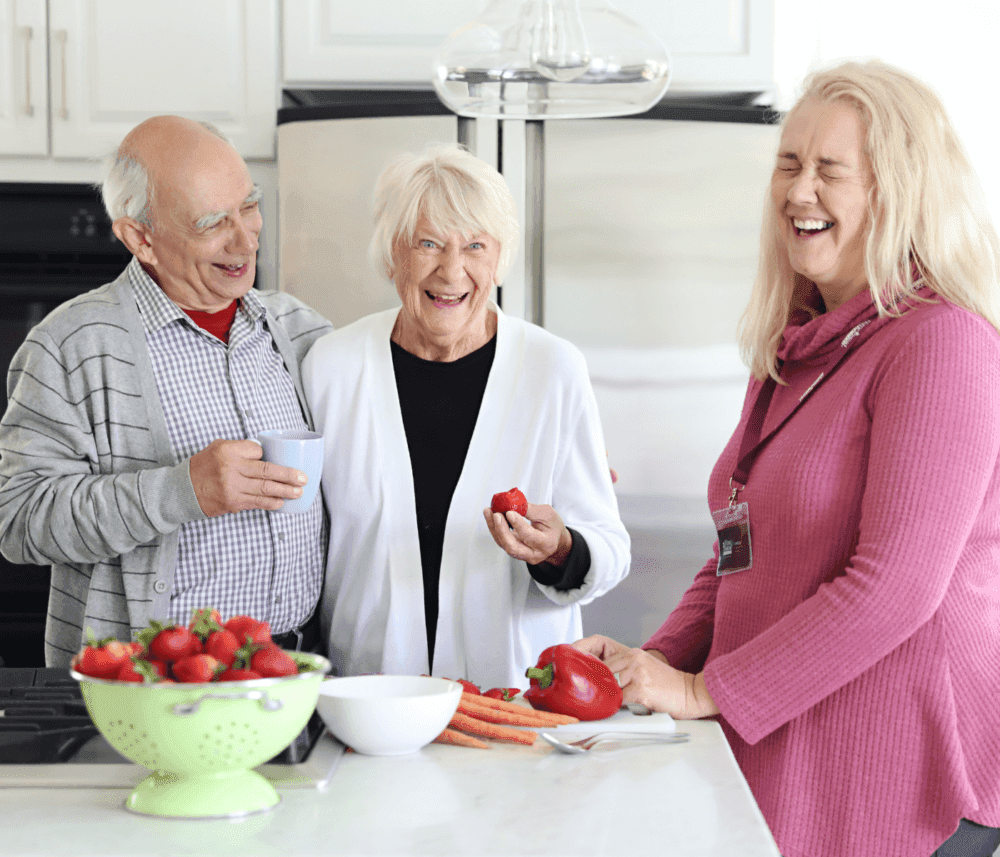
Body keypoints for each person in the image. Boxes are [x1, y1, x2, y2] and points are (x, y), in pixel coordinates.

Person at [574, 60, 1000, 857]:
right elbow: (738, 554)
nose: (799, 192)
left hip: (903, 775)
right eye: (789, 165)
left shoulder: (942, 343)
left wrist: (705, 689)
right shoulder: (797, 350)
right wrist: (652, 663)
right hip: (798, 751)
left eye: (829, 171)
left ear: (898, 190)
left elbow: (896, 586)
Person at [0, 116, 332, 667]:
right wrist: (181, 491)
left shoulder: (296, 329)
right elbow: (18, 519)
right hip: (147, 686)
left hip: (292, 676)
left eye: (249, 206)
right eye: (211, 223)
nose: (245, 238)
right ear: (141, 238)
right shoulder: (70, 346)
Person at [301, 143, 629, 689]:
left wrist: (560, 549)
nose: (451, 270)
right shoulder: (333, 367)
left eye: (475, 246)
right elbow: (299, 538)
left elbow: (609, 545)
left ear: (499, 259)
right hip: (368, 698)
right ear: (392, 255)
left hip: (514, 698)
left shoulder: (552, 368)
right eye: (427, 243)